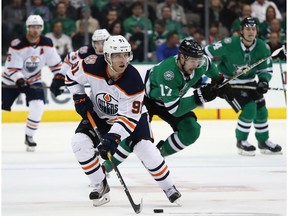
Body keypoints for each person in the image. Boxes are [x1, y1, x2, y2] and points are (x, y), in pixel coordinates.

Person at [65, 35, 181, 206]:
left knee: (145, 149)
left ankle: (169, 187)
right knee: (79, 142)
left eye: (125, 54)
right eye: (117, 55)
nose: (123, 60)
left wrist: (113, 138)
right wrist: (79, 96)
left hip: (132, 118)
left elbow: (128, 118)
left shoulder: (133, 81)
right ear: (106, 57)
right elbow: (70, 77)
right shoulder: (90, 64)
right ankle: (100, 184)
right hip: (100, 114)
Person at [102, 39, 233, 171]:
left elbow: (209, 65)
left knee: (191, 130)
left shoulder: (201, 63)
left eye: (198, 60)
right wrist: (200, 97)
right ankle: (105, 168)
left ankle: (156, 156)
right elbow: (175, 109)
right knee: (135, 137)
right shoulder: (168, 73)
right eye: (193, 61)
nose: (196, 64)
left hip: (170, 99)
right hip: (146, 99)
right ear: (182, 57)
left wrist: (220, 80)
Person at [204, 17, 282, 156]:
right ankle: (241, 141)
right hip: (229, 84)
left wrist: (263, 81)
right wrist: (214, 75)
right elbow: (205, 53)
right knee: (249, 109)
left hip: (249, 82)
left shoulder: (263, 47)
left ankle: (263, 141)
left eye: (253, 28)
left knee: (262, 111)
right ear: (241, 30)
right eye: (247, 28)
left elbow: (266, 70)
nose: (250, 31)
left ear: (257, 31)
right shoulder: (229, 43)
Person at [1, 15, 65, 152]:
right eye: (32, 27)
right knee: (3, 107)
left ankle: (29, 136)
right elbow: (12, 68)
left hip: (33, 80)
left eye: (38, 27)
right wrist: (19, 80)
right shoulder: (17, 44)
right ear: (27, 28)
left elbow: (56, 65)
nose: (35, 30)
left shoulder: (47, 43)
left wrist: (59, 79)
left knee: (38, 106)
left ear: (41, 28)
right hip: (11, 81)